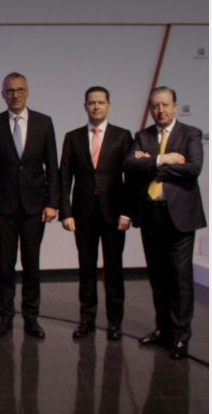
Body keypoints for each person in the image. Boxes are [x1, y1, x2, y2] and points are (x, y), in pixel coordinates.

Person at [123, 86, 206, 359]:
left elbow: (193, 168)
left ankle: (181, 336)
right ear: (151, 109)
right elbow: (129, 165)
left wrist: (152, 165)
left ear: (175, 106)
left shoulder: (190, 133)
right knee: (158, 276)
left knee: (180, 278)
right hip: (150, 215)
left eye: (165, 105)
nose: (160, 110)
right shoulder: (143, 136)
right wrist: (165, 159)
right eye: (155, 106)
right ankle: (163, 331)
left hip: (180, 216)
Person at [0, 72, 59, 340]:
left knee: (31, 265)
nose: (15, 95)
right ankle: (5, 318)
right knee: (5, 266)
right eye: (10, 91)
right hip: (2, 209)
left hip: (34, 208)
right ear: (2, 94)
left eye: (19, 90)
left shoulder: (44, 122)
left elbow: (52, 166)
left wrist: (52, 203)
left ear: (27, 92)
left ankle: (31, 318)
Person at [59, 86, 133, 341]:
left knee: (114, 269)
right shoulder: (73, 137)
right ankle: (87, 320)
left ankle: (114, 322)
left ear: (109, 105)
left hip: (114, 214)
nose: (96, 106)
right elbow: (64, 176)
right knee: (86, 269)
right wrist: (66, 212)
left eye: (101, 102)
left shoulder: (122, 136)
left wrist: (127, 212)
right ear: (85, 106)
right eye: (91, 102)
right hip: (83, 214)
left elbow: (131, 178)